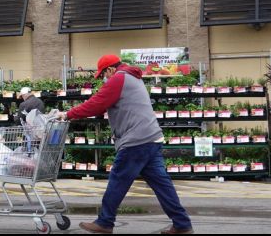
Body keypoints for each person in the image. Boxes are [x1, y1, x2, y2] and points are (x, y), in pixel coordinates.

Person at [58, 54, 193, 235]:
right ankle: (182, 224)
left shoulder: (118, 78)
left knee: (117, 181)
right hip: (151, 138)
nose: (104, 79)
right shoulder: (133, 77)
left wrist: (68, 114)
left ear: (110, 69)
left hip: (136, 141)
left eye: (103, 74)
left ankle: (105, 222)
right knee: (162, 185)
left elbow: (97, 103)